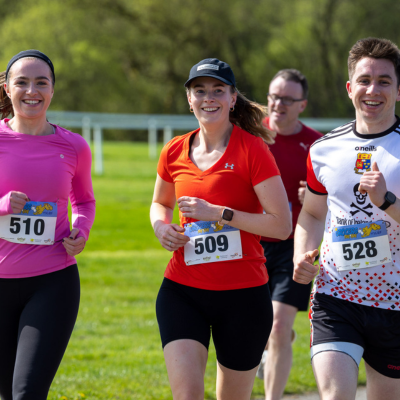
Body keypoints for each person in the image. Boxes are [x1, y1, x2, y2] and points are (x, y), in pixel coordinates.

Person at [150, 58, 291, 400]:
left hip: (243, 296)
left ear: (232, 98)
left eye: (217, 90)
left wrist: (219, 214)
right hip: (182, 290)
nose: (208, 98)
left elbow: (282, 225)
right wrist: (161, 228)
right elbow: (160, 203)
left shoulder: (253, 150)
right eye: (199, 91)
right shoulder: (174, 150)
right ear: (189, 99)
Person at [293, 37, 400, 400]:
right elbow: (310, 213)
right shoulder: (324, 149)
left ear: (399, 90)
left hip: (395, 303)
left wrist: (385, 201)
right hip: (335, 295)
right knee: (336, 396)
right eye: (365, 80)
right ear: (349, 87)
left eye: (384, 81)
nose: (373, 89)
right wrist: (301, 255)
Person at [0, 50, 95, 400]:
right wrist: (3, 206)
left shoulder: (73, 146)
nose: (31, 91)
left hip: (53, 282)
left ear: (53, 90)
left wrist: (81, 231)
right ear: (7, 88)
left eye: (41, 82)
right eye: (22, 82)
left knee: (27, 392)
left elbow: (84, 200)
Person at [256, 69, 322, 400]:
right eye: (273, 96)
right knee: (255, 328)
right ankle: (270, 344)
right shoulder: (249, 135)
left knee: (280, 326)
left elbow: (332, 202)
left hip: (294, 245)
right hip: (250, 243)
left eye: (287, 99)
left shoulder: (316, 145)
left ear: (302, 105)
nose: (278, 104)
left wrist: (311, 198)